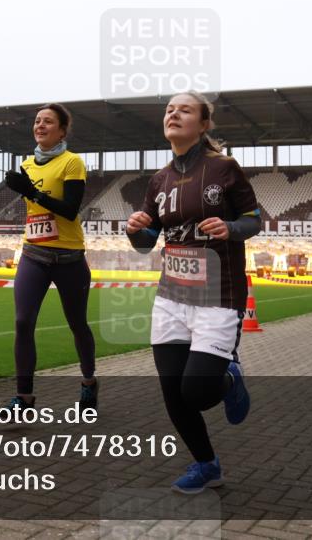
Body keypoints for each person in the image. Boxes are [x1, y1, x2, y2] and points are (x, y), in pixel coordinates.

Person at [125, 90, 262, 494]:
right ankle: (207, 465)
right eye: (169, 109)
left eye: (185, 110)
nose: (174, 114)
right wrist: (134, 230)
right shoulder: (158, 180)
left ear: (203, 124)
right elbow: (146, 243)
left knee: (198, 393)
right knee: (173, 394)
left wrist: (230, 228)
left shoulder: (225, 168)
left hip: (218, 297)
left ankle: (229, 379)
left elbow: (253, 220)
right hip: (171, 298)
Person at [2, 103, 97, 414]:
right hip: (33, 254)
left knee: (77, 324)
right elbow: (35, 211)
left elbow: (70, 210)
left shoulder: (72, 162)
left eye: (47, 122)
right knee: (22, 322)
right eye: (37, 121)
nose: (40, 126)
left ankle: (88, 381)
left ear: (62, 131)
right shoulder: (27, 164)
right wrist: (25, 189)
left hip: (69, 257)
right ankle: (24, 398)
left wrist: (33, 192)